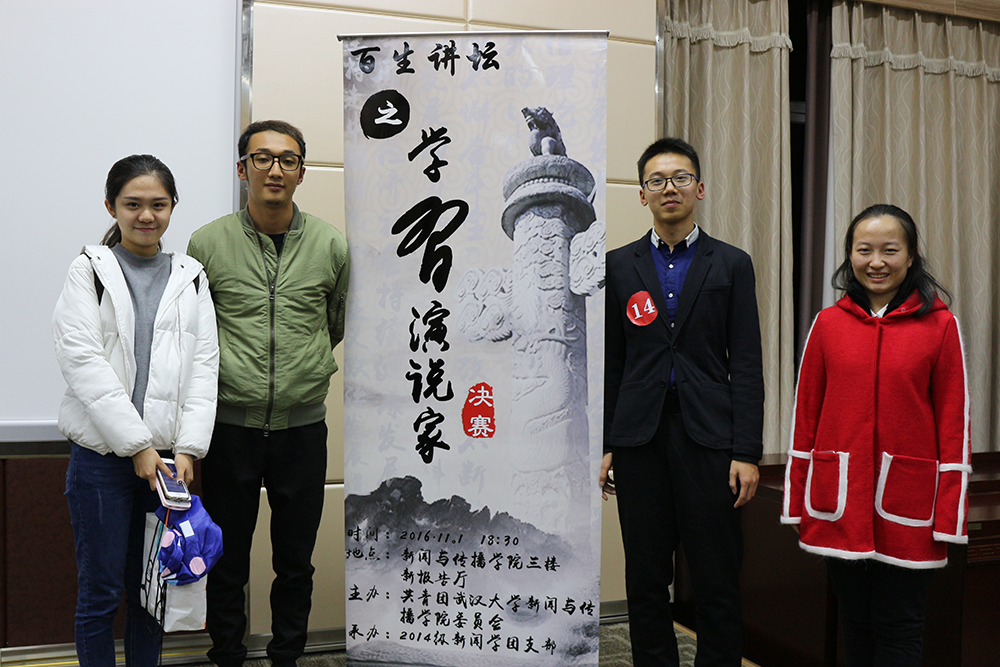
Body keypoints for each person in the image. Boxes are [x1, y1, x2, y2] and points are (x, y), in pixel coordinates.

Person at [187, 120, 350, 667]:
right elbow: (198, 331)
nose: (275, 169)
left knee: (295, 561)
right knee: (226, 557)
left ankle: (286, 657)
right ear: (243, 169)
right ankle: (227, 655)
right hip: (229, 427)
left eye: (287, 159)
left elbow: (333, 323)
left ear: (302, 172)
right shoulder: (207, 243)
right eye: (262, 158)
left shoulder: (330, 244)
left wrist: (300, 370)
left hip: (301, 429)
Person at [600, 138, 765, 666]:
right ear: (642, 195)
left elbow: (746, 362)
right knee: (646, 578)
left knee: (716, 576)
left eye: (679, 178)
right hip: (639, 440)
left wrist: (746, 451)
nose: (668, 188)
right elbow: (612, 363)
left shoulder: (732, 263)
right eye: (656, 180)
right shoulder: (618, 266)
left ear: (699, 188)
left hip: (709, 439)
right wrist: (607, 443)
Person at [782, 204, 969, 666]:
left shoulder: (940, 325)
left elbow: (954, 421)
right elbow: (806, 415)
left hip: (910, 504)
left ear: (911, 256)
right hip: (839, 499)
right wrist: (798, 499)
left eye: (890, 250)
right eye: (864, 250)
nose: (876, 262)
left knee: (900, 626)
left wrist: (949, 513)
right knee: (855, 622)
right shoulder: (828, 324)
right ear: (850, 255)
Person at [53, 155, 219, 666]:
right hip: (102, 460)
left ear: (172, 208)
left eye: (158, 205)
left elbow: (204, 366)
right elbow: (83, 361)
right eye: (133, 204)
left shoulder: (191, 276)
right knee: (100, 594)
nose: (146, 215)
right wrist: (138, 446)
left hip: (166, 465)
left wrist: (188, 448)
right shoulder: (89, 270)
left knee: (152, 593)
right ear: (111, 207)